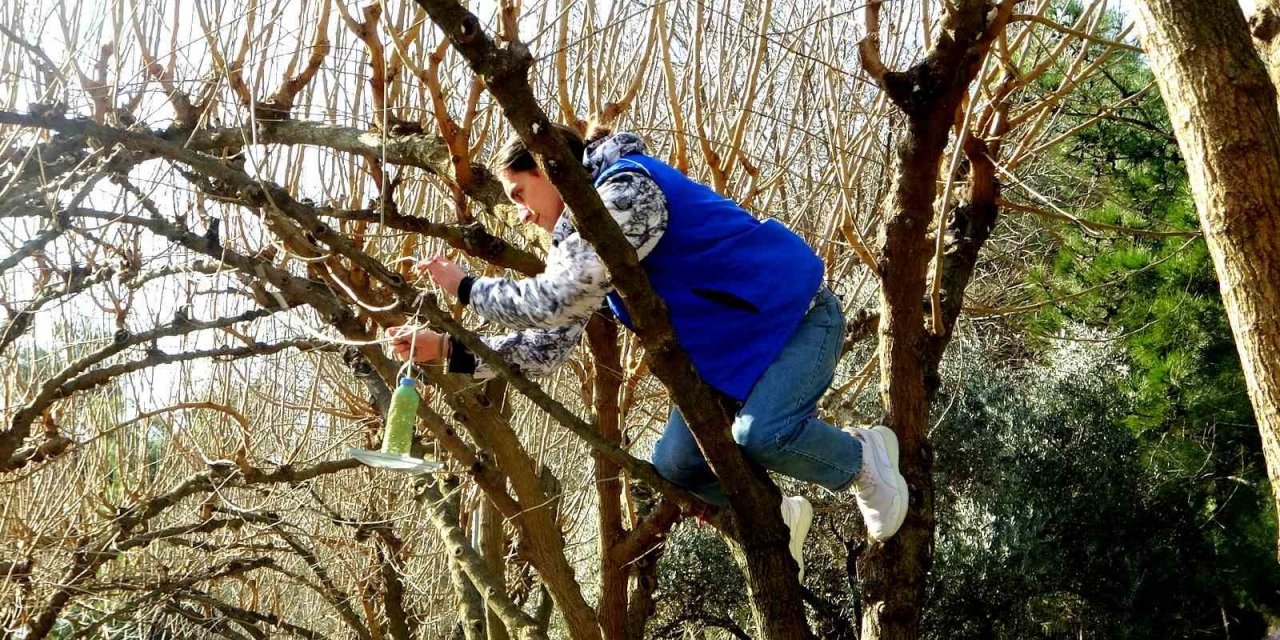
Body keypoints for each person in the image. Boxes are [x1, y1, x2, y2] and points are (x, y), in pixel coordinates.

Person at [386, 125, 908, 578]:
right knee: (678, 465)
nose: (520, 214)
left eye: (520, 194)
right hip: (729, 359)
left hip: (795, 318)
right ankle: (779, 516)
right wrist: (448, 349)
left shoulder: (627, 191)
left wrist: (468, 289)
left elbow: (557, 298)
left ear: (549, 169)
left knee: (762, 434)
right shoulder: (580, 241)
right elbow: (545, 347)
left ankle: (862, 459)